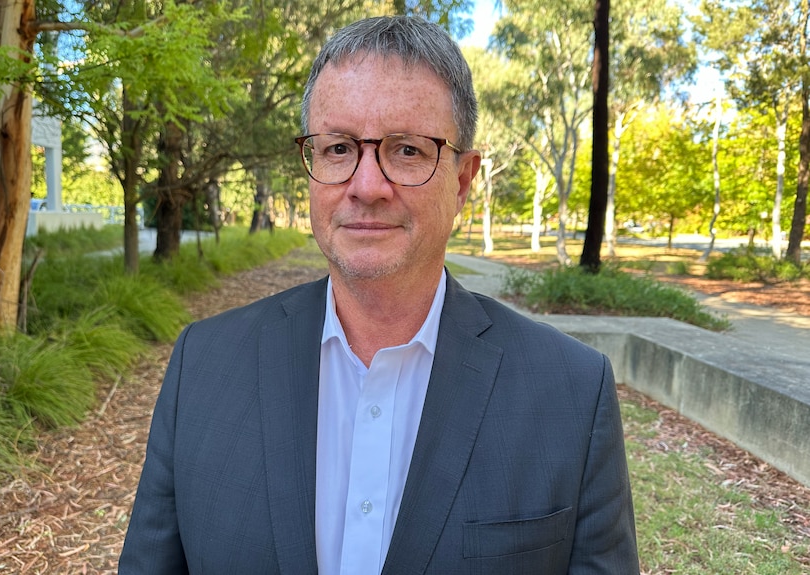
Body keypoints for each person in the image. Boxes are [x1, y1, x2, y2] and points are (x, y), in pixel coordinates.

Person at [119, 15, 638, 574]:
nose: (366, 186)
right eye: (339, 148)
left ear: (463, 180)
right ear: (313, 165)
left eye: (408, 151)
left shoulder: (570, 393)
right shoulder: (204, 366)